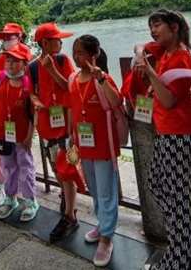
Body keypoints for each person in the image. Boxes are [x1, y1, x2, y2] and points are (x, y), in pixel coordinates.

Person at [136, 11, 191, 270]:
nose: (152, 31)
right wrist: (143, 57)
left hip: (178, 135)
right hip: (166, 133)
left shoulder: (181, 56)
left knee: (177, 198)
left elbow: (170, 100)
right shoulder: (166, 53)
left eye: (157, 25)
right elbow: (139, 47)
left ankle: (176, 260)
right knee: (156, 184)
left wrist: (148, 71)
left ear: (174, 27)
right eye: (150, 26)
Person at [66, 34, 121, 267]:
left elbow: (117, 102)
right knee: (95, 189)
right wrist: (71, 135)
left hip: (104, 142)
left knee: (107, 190)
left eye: (81, 53)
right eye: (75, 52)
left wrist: (101, 79)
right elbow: (71, 108)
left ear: (94, 54)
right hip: (84, 143)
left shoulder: (103, 78)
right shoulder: (73, 78)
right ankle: (102, 225)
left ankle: (107, 238)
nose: (76, 57)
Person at [26, 23, 76, 237]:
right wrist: (36, 101)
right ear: (45, 43)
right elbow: (30, 92)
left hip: (66, 126)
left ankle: (69, 215)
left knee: (68, 171)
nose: (61, 42)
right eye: (57, 39)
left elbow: (70, 87)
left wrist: (52, 69)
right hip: (46, 125)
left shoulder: (64, 60)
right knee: (58, 169)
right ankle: (68, 202)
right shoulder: (32, 67)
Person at [0, 42, 39, 221]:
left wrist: (30, 135)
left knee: (25, 167)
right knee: (9, 167)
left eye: (15, 61)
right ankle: (10, 198)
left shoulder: (28, 83)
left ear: (24, 63)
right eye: (8, 60)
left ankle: (30, 201)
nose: (10, 64)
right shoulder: (0, 78)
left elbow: (33, 111)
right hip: (3, 133)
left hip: (21, 136)